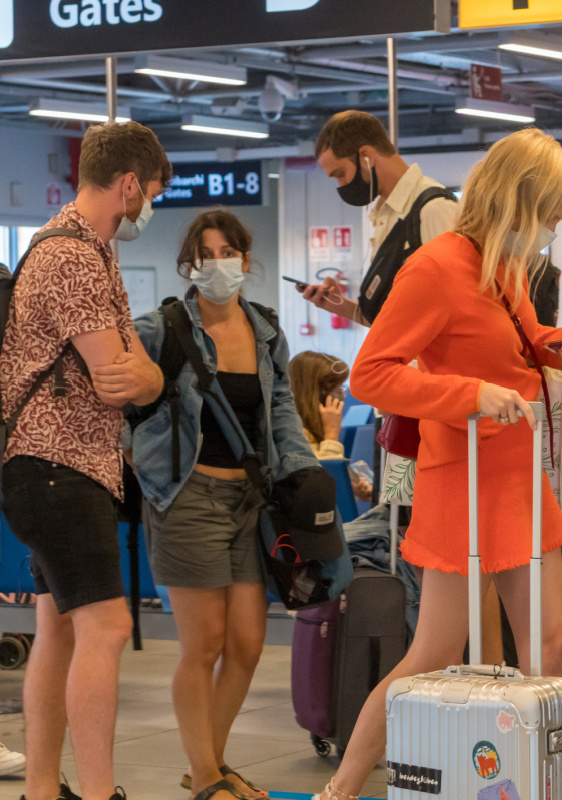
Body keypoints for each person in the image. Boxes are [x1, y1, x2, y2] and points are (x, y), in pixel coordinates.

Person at [310, 128, 562, 800]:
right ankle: (347, 783)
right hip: (464, 479)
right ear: (520, 200)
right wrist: (468, 396)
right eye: (551, 212)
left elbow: (519, 342)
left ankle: (533, 782)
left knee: (549, 652)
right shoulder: (436, 266)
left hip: (521, 476)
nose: (555, 227)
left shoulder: (503, 266)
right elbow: (371, 376)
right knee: (434, 652)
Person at [0, 122, 170, 800]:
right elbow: (119, 377)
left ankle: (43, 790)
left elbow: (144, 371)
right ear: (128, 184)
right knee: (108, 625)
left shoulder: (89, 249)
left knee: (58, 627)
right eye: (151, 193)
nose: (148, 207)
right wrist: (144, 373)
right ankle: (98, 794)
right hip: (57, 464)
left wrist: (145, 374)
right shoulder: (72, 256)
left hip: (54, 465)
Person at [126, 210, 322, 800]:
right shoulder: (163, 327)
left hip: (249, 501)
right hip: (187, 498)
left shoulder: (265, 328)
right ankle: (209, 775)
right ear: (189, 262)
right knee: (204, 642)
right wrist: (137, 453)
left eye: (229, 252)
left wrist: (305, 469)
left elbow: (281, 407)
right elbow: (118, 387)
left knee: (246, 642)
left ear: (245, 257)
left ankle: (206, 764)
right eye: (206, 254)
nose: (219, 264)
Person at [298, 110, 459, 325]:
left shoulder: (433, 209)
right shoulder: (388, 213)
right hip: (399, 359)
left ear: (367, 156)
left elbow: (458, 307)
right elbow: (393, 322)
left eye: (340, 174)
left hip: (426, 359)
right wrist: (341, 306)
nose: (341, 185)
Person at [287, 350, 372, 500]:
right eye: (336, 387)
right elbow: (317, 485)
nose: (341, 394)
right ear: (317, 392)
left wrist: (352, 488)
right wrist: (331, 435)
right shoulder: (292, 431)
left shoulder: (314, 428)